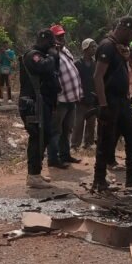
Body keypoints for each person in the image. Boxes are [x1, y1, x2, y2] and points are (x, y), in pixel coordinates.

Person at [93, 16, 132, 192]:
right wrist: (103, 105)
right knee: (106, 140)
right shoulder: (107, 46)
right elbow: (98, 76)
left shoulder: (122, 47)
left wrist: (129, 54)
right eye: (131, 35)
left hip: (122, 100)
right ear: (123, 29)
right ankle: (99, 180)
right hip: (110, 99)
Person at [19, 29, 61, 189]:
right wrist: (52, 56)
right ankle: (33, 175)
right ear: (43, 41)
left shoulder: (45, 56)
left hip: (41, 103)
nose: (52, 47)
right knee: (38, 136)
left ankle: (36, 172)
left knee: (44, 135)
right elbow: (43, 67)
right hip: (32, 103)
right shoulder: (32, 55)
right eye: (50, 44)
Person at [50, 24, 84, 164]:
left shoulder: (65, 51)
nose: (61, 38)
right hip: (60, 99)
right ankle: (53, 158)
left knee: (67, 129)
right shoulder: (51, 53)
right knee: (56, 130)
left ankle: (65, 155)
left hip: (71, 98)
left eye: (62, 35)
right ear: (52, 38)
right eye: (58, 36)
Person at [71, 38, 99, 152]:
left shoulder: (95, 64)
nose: (94, 49)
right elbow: (74, 81)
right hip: (81, 97)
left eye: (94, 46)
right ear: (85, 49)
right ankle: (75, 145)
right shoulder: (78, 64)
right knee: (78, 122)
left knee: (91, 122)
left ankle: (89, 143)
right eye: (92, 47)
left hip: (92, 97)